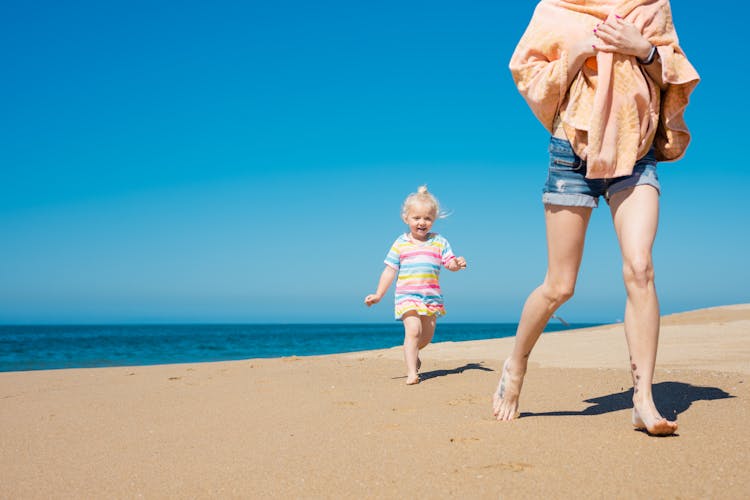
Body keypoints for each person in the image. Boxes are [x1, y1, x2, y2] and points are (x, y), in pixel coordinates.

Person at [492, 0, 699, 435]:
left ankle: (643, 398)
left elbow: (675, 71)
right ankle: (516, 363)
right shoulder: (556, 8)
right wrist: (578, 50)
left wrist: (643, 49)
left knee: (640, 268)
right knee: (559, 286)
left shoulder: (653, 7)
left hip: (636, 152)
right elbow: (526, 73)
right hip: (572, 150)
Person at [365, 186, 467, 385]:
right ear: (406, 218)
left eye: (427, 218)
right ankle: (412, 372)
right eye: (417, 218)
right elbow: (389, 270)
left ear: (434, 219)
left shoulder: (440, 242)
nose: (422, 222)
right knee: (413, 331)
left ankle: (413, 352)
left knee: (426, 336)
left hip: (431, 297)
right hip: (407, 296)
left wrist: (457, 264)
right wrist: (378, 295)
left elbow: (449, 264)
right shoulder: (400, 243)